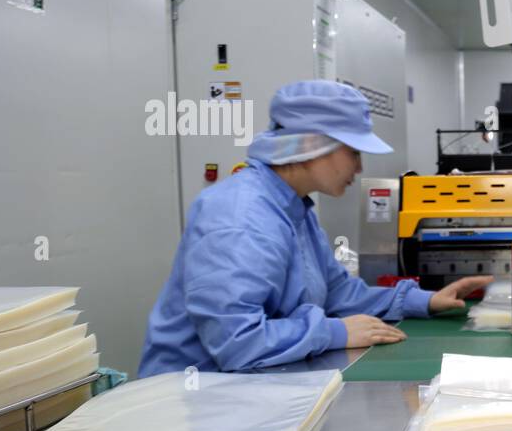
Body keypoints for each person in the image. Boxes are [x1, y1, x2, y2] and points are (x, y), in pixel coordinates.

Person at [139, 80, 490, 376]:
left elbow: (339, 295)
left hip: (249, 389)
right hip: (193, 406)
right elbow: (238, 342)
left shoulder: (294, 208)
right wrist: (334, 332)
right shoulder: (240, 216)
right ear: (312, 145)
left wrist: (426, 301)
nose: (360, 166)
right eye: (353, 151)